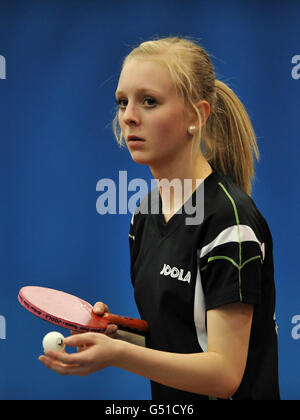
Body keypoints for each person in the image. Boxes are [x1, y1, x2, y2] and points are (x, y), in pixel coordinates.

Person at [39, 37, 280, 400]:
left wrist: (120, 354)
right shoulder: (145, 214)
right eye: (122, 102)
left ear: (197, 116)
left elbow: (224, 374)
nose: (128, 116)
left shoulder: (229, 221)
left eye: (149, 101)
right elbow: (177, 337)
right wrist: (114, 334)